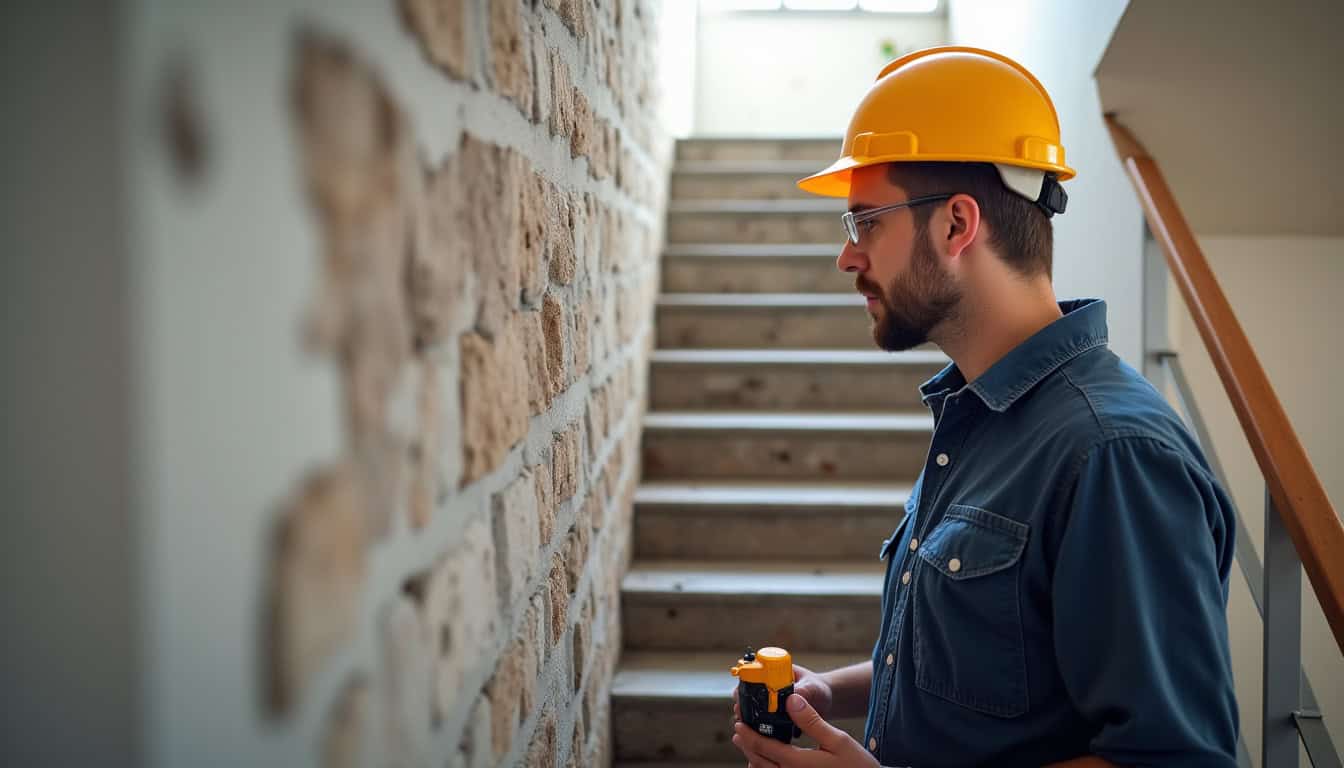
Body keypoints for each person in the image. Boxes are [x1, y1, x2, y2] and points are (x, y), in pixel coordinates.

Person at [729, 46, 1239, 768]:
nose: (848, 257)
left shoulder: (1112, 453)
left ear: (956, 225)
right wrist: (831, 693)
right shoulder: (980, 416)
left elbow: (1172, 760)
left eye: (865, 222)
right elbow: (990, 660)